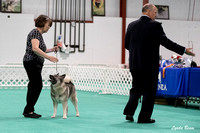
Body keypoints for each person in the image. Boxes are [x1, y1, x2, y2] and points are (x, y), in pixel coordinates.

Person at [123, 3, 195, 123]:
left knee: (135, 89)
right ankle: (144, 118)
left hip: (135, 65)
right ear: (148, 11)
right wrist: (183, 50)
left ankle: (129, 113)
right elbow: (166, 42)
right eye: (155, 12)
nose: (155, 15)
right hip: (149, 66)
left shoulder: (131, 25)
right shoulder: (155, 25)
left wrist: (138, 53)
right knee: (149, 91)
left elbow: (126, 45)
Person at [23, 15, 59, 118]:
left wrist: (52, 49)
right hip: (32, 62)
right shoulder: (35, 33)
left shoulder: (38, 34)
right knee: (37, 85)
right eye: (48, 25)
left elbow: (41, 49)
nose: (49, 27)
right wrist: (49, 58)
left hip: (34, 62)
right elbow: (35, 48)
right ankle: (28, 110)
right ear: (43, 23)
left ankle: (29, 110)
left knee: (33, 86)